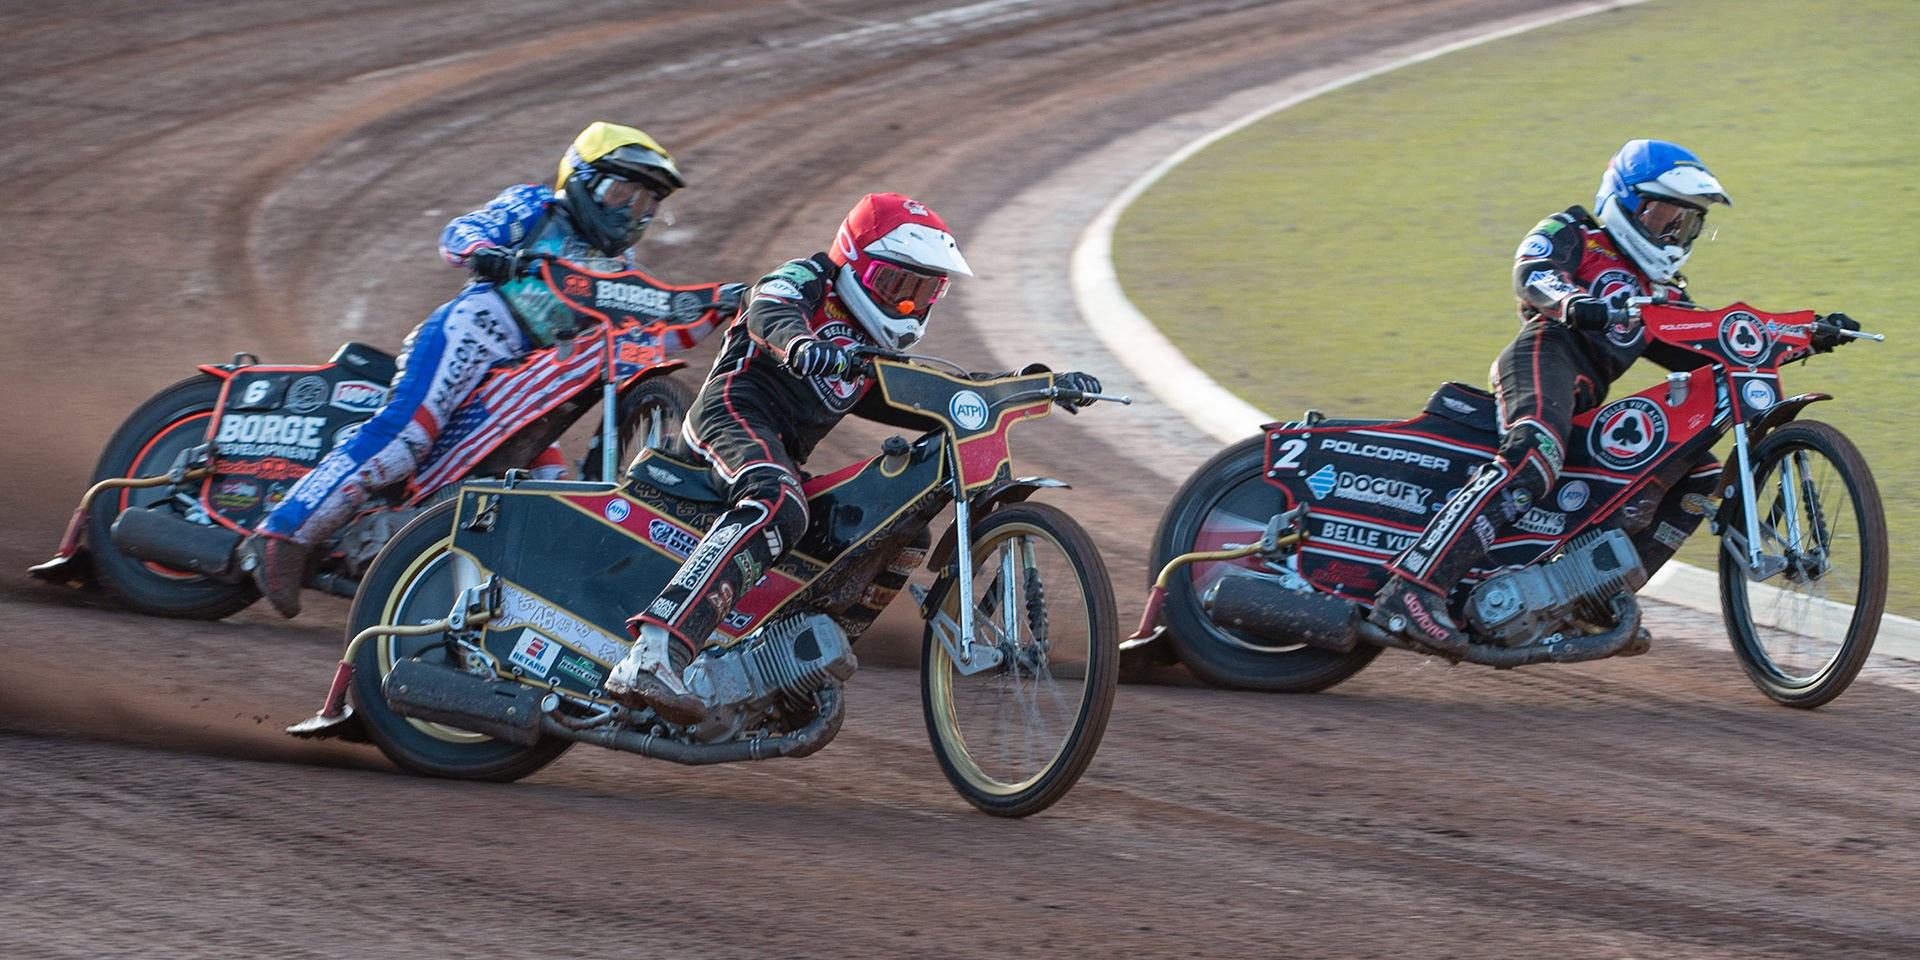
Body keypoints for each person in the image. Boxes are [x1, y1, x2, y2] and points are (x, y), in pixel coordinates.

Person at [604, 192, 1102, 723]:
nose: (908, 306)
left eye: (923, 293)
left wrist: (1032, 387)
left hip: (782, 457)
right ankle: (654, 653)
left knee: (902, 532)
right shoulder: (806, 277)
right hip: (729, 415)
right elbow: (767, 308)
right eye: (897, 286)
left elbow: (946, 392)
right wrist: (799, 343)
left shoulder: (870, 355)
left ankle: (790, 671)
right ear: (855, 263)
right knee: (778, 499)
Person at [243, 122, 719, 619]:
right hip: (471, 336)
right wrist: (485, 253)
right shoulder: (536, 208)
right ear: (580, 179)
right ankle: (281, 534)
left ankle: (487, 615)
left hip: (530, 380)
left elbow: (653, 322)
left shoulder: (621, 264)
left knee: (547, 496)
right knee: (403, 437)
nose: (631, 210)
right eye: (622, 191)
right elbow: (460, 234)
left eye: (647, 203)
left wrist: (721, 307)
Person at [1368, 139, 1732, 655]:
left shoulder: (1663, 292)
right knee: (1536, 450)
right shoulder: (1575, 230)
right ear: (1626, 201)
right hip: (1544, 353)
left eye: (1685, 223)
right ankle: (1412, 588)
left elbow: (1706, 345)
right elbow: (1531, 272)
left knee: (1702, 472)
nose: (1672, 233)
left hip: (1584, 399)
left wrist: (1795, 338)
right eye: (1663, 217)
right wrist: (1573, 301)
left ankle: (1586, 603)